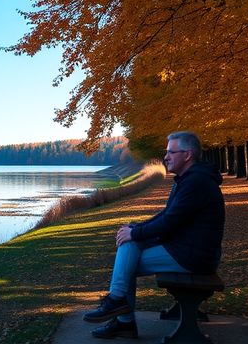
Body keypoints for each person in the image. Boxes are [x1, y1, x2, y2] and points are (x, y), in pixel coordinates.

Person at [83, 131, 225, 339]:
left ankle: (121, 312)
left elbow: (169, 221)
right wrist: (136, 229)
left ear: (187, 155)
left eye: (171, 152)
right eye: (166, 152)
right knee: (129, 244)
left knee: (127, 260)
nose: (166, 157)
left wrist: (136, 232)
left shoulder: (196, 183)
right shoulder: (188, 179)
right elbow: (167, 215)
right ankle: (119, 306)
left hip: (193, 256)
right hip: (185, 247)